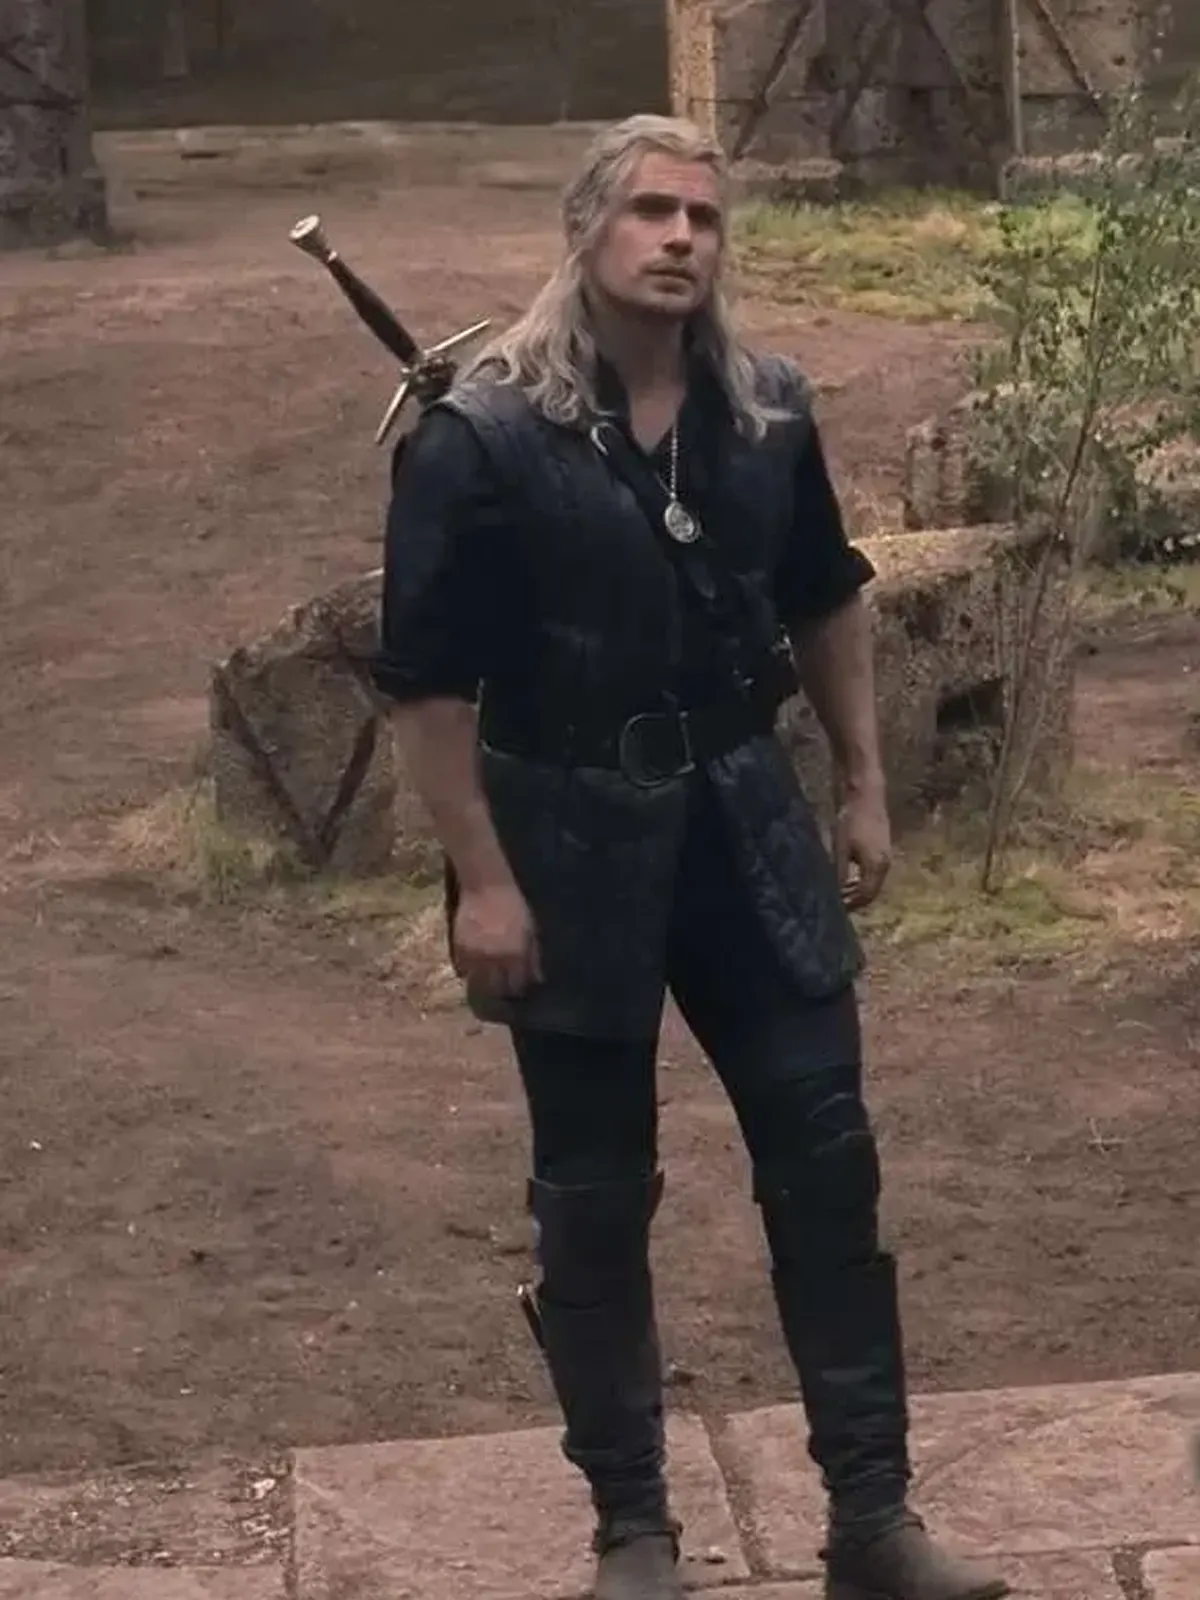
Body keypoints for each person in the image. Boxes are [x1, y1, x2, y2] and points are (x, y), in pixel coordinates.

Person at [370, 114, 1009, 1600]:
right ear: (585, 230)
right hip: (563, 836)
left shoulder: (766, 411)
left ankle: (873, 1523)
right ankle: (635, 1533)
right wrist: (483, 879)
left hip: (743, 817)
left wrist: (863, 786)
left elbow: (825, 598)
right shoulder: (482, 437)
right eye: (649, 212)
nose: (679, 239)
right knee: (594, 1196)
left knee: (828, 1157)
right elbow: (429, 688)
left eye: (703, 219)